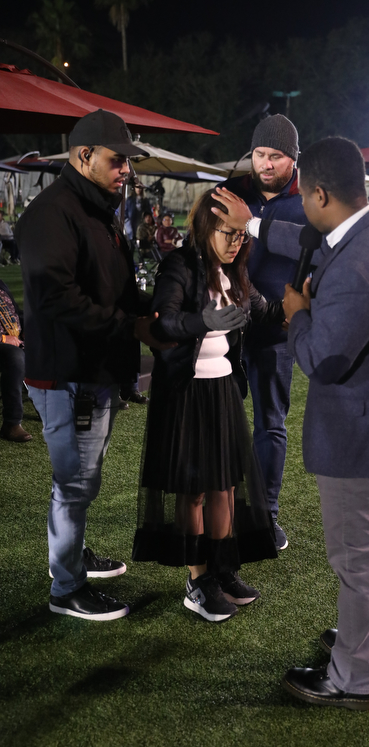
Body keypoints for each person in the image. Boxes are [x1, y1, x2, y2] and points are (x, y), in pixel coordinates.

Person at [233, 137, 369, 711]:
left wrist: (297, 315)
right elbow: (313, 241)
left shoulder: (359, 265)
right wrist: (255, 225)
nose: (302, 208)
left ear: (319, 194)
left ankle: (353, 679)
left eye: (303, 198)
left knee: (359, 560)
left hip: (362, 431)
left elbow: (322, 359)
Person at [15, 109, 173, 622]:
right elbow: (57, 298)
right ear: (84, 156)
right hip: (68, 372)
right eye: (117, 159)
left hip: (90, 370)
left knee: (81, 476)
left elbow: (113, 289)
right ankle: (66, 588)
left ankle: (73, 556)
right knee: (75, 482)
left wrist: (154, 309)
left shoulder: (91, 208)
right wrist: (130, 326)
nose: (126, 169)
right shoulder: (52, 213)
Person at [132, 190, 281, 622]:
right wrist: (204, 321)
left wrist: (295, 306)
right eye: (227, 232)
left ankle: (222, 568)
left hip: (222, 389)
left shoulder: (236, 270)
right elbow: (165, 319)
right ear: (205, 227)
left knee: (225, 486)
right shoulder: (180, 265)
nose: (235, 242)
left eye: (241, 234)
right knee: (194, 488)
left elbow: (263, 310)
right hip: (186, 391)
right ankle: (197, 581)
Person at [212, 114, 307, 552]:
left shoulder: (310, 199)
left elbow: (319, 252)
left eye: (276, 156)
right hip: (223, 329)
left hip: (276, 331)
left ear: (294, 158)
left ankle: (265, 514)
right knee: (218, 421)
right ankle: (223, 505)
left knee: (270, 423)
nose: (265, 163)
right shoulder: (230, 191)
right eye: (259, 154)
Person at [0, 278, 32, 441]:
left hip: (15, 339)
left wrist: (28, 329)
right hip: (4, 344)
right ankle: (12, 423)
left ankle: (54, 408)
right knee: (15, 356)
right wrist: (4, 339)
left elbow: (16, 313)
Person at [125, 183, 151, 247]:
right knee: (131, 239)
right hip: (132, 221)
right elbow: (126, 211)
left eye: (140, 188)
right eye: (137, 187)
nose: (138, 189)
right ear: (134, 188)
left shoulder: (145, 200)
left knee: (141, 238)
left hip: (141, 222)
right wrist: (126, 220)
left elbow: (149, 211)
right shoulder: (130, 199)